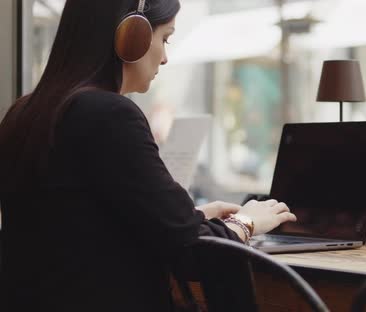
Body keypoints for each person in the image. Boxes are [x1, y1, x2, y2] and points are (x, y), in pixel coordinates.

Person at [0, 1, 296, 311]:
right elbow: (191, 255)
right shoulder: (108, 115)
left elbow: (87, 227)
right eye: (165, 38)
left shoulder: (23, 114)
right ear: (133, 33)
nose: (166, 57)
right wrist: (247, 221)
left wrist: (191, 216)